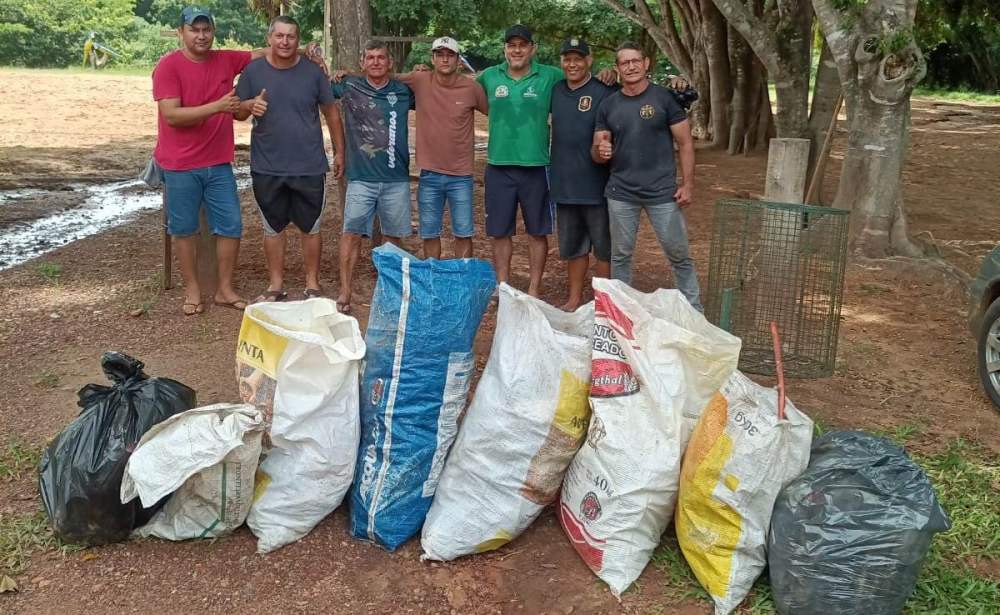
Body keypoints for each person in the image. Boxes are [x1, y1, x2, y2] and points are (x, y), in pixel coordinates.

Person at [152, 6, 324, 315]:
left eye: (206, 30)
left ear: (213, 32)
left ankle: (224, 289)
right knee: (183, 229)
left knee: (231, 226)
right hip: (179, 164)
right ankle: (193, 290)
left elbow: (267, 50)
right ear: (182, 33)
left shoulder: (226, 60)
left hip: (219, 162)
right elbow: (172, 115)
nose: (201, 35)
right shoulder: (168, 67)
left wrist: (304, 50)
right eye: (194, 30)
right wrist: (218, 106)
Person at [234, 15, 345, 302]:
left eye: (291, 36)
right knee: (273, 227)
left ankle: (312, 285)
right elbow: (237, 111)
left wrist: (340, 151)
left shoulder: (314, 72)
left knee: (311, 227)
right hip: (267, 164)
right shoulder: (253, 72)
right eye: (279, 36)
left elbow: (331, 112)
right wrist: (249, 105)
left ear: (298, 40)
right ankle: (275, 285)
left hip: (309, 164)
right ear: (269, 38)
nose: (285, 42)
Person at [592, 42, 701, 311]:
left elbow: (686, 143)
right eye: (624, 63)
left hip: (662, 192)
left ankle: (694, 311)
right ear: (617, 69)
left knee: (679, 255)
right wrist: (600, 150)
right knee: (620, 256)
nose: (630, 66)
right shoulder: (608, 105)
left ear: (646, 63)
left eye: (635, 61)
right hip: (621, 193)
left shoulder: (665, 98)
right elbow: (597, 150)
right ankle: (621, 312)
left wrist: (688, 185)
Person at [331, 41, 414, 314]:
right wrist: (332, 72)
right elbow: (321, 91)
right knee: (351, 234)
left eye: (381, 57)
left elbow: (432, 87)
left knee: (393, 238)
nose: (376, 62)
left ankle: (389, 292)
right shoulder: (349, 86)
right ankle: (345, 290)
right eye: (370, 57)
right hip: (360, 178)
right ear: (362, 62)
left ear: (390, 62)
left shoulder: (404, 92)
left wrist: (422, 71)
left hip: (396, 179)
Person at [396, 36, 488, 260]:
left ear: (458, 60)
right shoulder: (420, 79)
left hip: (461, 175)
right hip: (429, 175)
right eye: (440, 55)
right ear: (432, 58)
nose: (445, 59)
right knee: (429, 233)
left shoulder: (472, 88)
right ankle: (432, 277)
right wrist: (345, 73)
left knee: (464, 233)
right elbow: (381, 76)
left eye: (450, 55)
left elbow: (495, 115)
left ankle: (461, 280)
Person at [549, 37, 615, 311]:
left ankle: (603, 304)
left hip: (598, 184)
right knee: (574, 247)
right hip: (565, 183)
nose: (572, 63)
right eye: (567, 58)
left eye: (578, 58)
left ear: (589, 61)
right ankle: (575, 299)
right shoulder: (555, 90)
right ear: (561, 62)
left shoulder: (605, 90)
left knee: (603, 248)